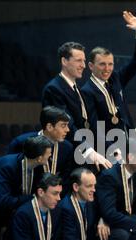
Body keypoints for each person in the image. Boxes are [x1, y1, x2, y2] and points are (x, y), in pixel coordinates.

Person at [42, 41, 111, 172]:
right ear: (64, 61)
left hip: (81, 150)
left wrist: (111, 149)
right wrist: (89, 151)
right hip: (64, 155)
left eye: (84, 61)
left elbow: (92, 123)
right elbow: (67, 126)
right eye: (78, 61)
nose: (83, 66)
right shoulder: (54, 89)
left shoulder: (78, 89)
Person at [81, 11, 136, 139]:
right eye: (102, 64)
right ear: (91, 66)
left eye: (110, 64)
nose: (107, 69)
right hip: (108, 147)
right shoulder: (86, 92)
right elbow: (95, 126)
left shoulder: (116, 78)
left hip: (130, 140)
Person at [7, 106, 74, 194]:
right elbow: (11, 175)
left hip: (54, 201)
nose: (67, 130)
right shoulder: (21, 143)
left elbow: (66, 178)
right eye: (63, 126)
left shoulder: (67, 148)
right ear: (49, 127)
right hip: (25, 200)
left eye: (67, 125)